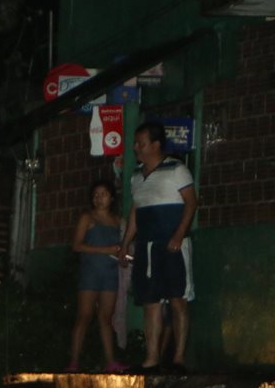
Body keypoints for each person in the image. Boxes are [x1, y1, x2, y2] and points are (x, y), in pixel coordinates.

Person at [118, 121, 197, 373]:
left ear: (155, 144)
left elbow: (191, 203)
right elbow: (135, 212)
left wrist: (178, 235)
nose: (136, 148)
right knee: (150, 302)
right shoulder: (136, 176)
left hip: (173, 245)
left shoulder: (177, 169)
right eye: (135, 143)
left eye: (141, 143)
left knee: (177, 299)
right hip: (146, 247)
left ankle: (178, 359)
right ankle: (151, 359)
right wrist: (125, 243)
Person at [66, 180, 126, 373]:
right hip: (90, 273)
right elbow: (76, 245)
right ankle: (74, 362)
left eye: (104, 194)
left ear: (112, 197)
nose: (99, 199)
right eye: (96, 195)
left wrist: (121, 256)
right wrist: (104, 250)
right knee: (84, 316)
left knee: (106, 318)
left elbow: (122, 249)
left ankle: (110, 361)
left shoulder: (118, 221)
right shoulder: (88, 218)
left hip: (110, 274)